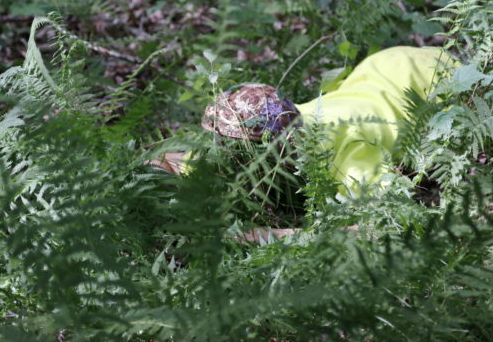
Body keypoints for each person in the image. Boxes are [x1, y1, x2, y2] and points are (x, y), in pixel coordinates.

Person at [153, 46, 454, 241]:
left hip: (434, 79)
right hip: (378, 68)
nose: (225, 158)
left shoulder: (349, 151)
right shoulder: (265, 126)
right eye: (221, 145)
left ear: (280, 150)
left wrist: (267, 236)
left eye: (237, 154)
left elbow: (385, 221)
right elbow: (163, 161)